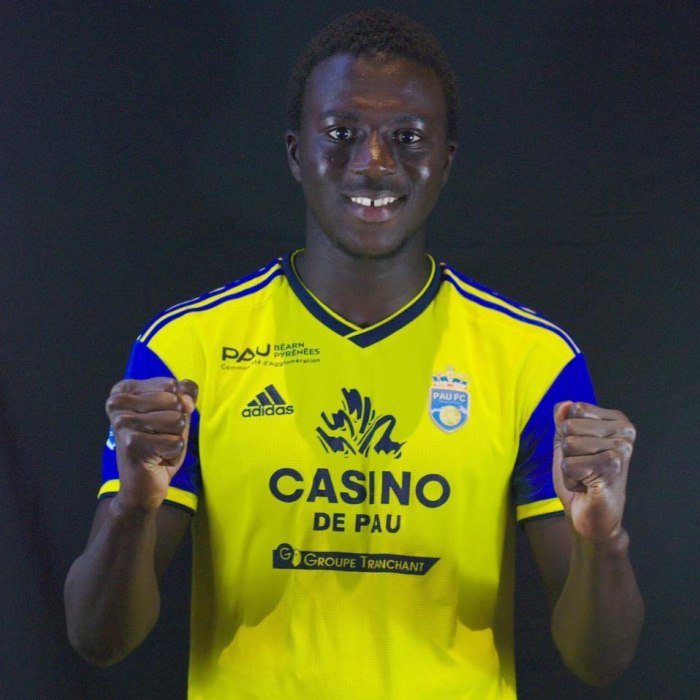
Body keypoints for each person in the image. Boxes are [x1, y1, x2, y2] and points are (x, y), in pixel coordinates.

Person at [65, 9, 644, 698]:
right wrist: (132, 509)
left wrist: (603, 542)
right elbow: (98, 638)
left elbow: (599, 660)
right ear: (295, 153)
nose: (374, 162)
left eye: (408, 137)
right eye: (341, 133)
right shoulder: (187, 349)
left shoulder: (533, 360)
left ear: (446, 161)